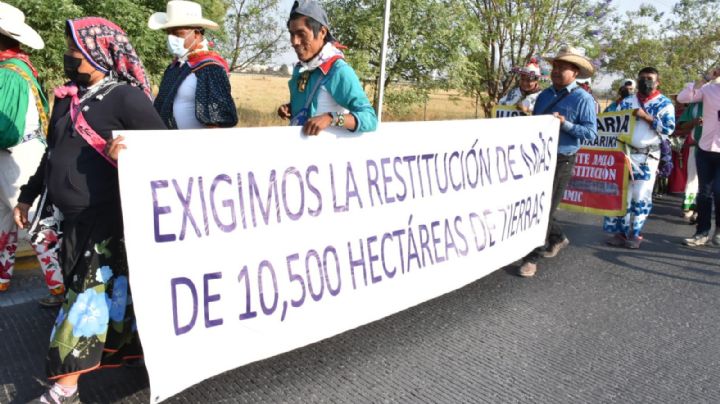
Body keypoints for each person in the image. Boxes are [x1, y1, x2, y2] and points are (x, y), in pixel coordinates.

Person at [18, 17, 165, 404]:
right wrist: (27, 196)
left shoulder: (126, 98)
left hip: (108, 217)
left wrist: (132, 152)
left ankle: (64, 389)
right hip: (73, 219)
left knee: (84, 299)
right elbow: (52, 156)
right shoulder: (69, 98)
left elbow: (165, 151)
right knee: (110, 293)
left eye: (73, 50)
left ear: (97, 52)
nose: (68, 57)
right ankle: (138, 353)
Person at [0, 2, 64, 307]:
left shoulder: (10, 73)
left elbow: (6, 128)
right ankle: (3, 278)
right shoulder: (14, 68)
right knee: (5, 222)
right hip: (16, 154)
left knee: (35, 222)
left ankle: (61, 288)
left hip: (17, 155)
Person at [518, 45, 597, 277]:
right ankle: (558, 237)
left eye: (563, 67)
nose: (556, 71)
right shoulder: (544, 95)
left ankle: (531, 257)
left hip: (562, 159)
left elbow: (592, 133)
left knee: (543, 210)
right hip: (539, 159)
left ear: (575, 72)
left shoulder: (583, 99)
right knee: (536, 206)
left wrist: (566, 124)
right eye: (555, 66)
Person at [277, 0, 377, 135]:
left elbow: (370, 119)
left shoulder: (338, 70)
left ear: (322, 32)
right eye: (292, 34)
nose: (294, 42)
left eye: (301, 34)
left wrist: (332, 118)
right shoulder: (303, 68)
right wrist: (291, 108)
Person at [603, 67, 676, 249]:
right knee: (622, 194)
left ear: (657, 82)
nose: (645, 81)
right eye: (642, 78)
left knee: (640, 195)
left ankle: (635, 234)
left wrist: (647, 117)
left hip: (647, 155)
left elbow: (669, 129)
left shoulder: (664, 103)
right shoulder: (627, 101)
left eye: (649, 78)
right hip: (625, 152)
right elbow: (611, 121)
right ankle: (620, 232)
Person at [149, 0, 238, 129]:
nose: (171, 38)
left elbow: (217, 121)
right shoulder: (174, 68)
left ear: (196, 34)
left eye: (177, 33)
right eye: (168, 33)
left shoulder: (210, 68)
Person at [678, 66, 720, 246]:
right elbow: (683, 98)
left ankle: (718, 230)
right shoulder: (708, 89)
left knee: (719, 191)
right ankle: (701, 232)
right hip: (704, 149)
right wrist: (704, 78)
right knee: (704, 194)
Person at [676, 101, 703, 222]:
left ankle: (702, 210)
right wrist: (694, 122)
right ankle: (691, 207)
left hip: (716, 149)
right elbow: (681, 125)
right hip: (696, 147)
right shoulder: (695, 105)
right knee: (693, 178)